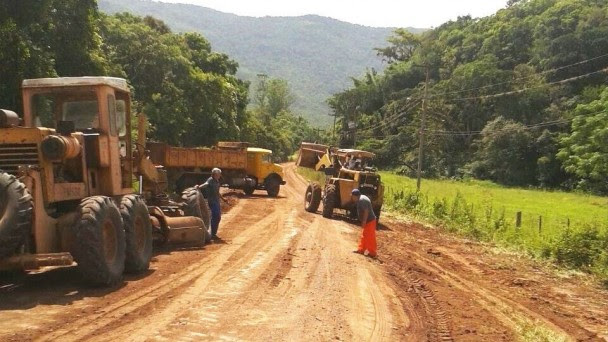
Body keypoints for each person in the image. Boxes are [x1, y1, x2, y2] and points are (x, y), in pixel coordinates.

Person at [199, 168, 225, 239]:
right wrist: (199, 187)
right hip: (212, 201)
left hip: (217, 201)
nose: (220, 175)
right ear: (215, 174)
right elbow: (206, 184)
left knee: (218, 217)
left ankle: (214, 233)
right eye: (219, 174)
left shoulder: (217, 181)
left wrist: (223, 199)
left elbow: (217, 192)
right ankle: (211, 232)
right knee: (215, 216)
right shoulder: (210, 180)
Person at [351, 188, 377, 258]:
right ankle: (361, 250)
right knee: (364, 235)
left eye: (352, 196)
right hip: (368, 221)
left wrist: (364, 222)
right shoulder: (361, 198)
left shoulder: (362, 200)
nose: (352, 198)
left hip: (370, 221)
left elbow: (366, 211)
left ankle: (372, 253)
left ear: (355, 196)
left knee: (370, 237)